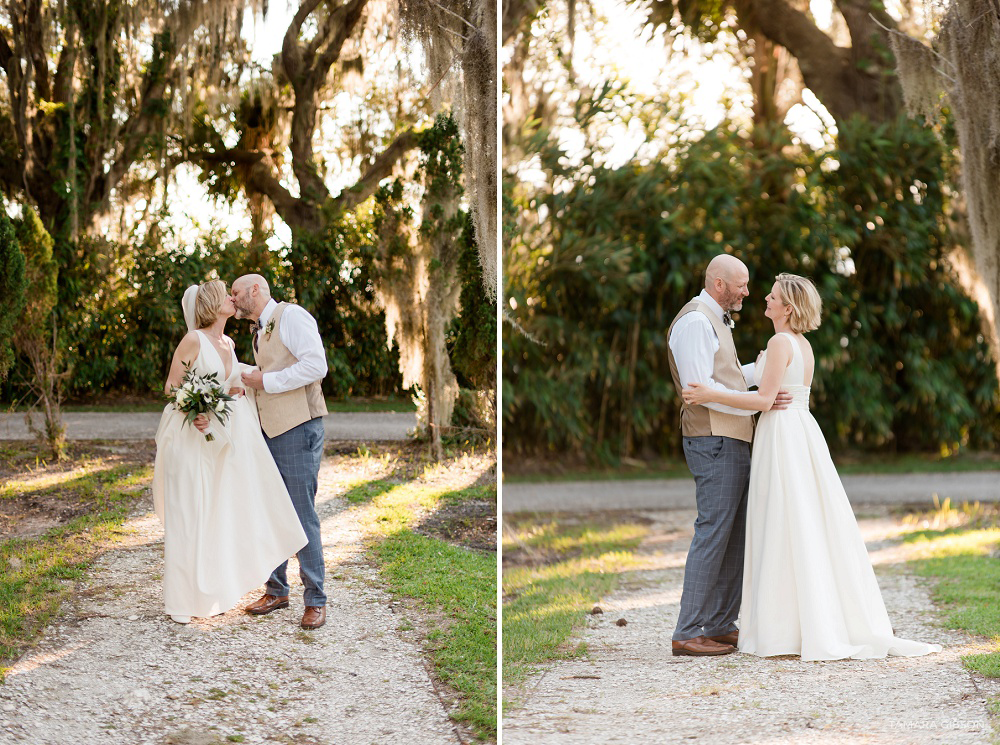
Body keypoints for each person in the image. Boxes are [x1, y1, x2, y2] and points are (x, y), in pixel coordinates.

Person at [682, 273, 942, 660]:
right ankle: (797, 619)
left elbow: (765, 400)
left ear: (787, 308)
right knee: (799, 520)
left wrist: (709, 392)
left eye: (771, 297)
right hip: (799, 430)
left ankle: (784, 624)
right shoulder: (802, 344)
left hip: (782, 433)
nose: (764, 300)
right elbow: (774, 389)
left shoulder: (779, 341)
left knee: (782, 521)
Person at [152, 280, 307, 625]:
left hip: (215, 443)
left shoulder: (229, 342)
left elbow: (227, 382)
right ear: (211, 304)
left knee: (211, 514)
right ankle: (180, 600)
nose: (231, 299)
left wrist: (235, 388)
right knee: (188, 516)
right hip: (189, 439)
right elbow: (171, 387)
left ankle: (208, 595)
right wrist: (197, 408)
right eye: (226, 294)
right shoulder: (194, 340)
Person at [666, 254, 792, 657]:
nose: (747, 292)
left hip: (733, 438)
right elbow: (699, 392)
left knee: (734, 535)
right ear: (719, 284)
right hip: (713, 441)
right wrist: (761, 402)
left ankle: (720, 624)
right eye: (742, 284)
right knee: (714, 532)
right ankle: (687, 632)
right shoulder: (695, 322)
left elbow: (727, 377)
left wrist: (766, 373)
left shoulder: (715, 321)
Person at [229, 274, 330, 630]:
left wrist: (265, 382)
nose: (233, 297)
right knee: (270, 510)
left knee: (301, 515)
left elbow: (316, 366)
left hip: (298, 427)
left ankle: (315, 600)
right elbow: (270, 372)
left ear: (255, 290)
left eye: (236, 292)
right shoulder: (259, 329)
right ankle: (276, 589)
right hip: (268, 430)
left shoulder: (292, 317)